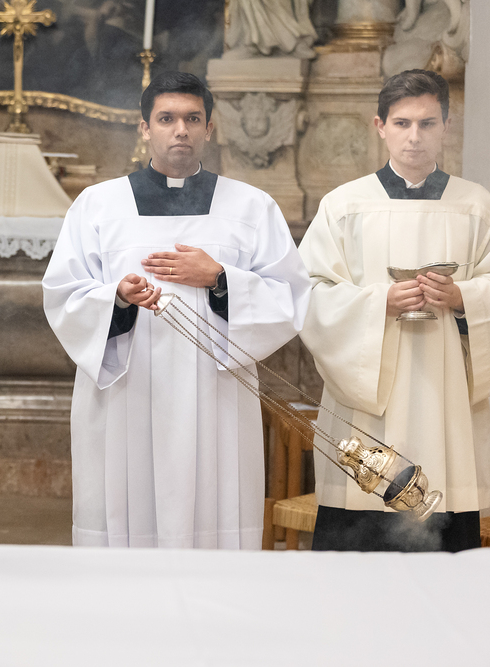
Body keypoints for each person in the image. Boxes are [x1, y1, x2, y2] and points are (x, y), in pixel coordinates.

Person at [42, 71, 310, 549]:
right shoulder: (98, 205)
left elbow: (289, 295)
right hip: (128, 392)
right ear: (144, 127)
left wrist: (219, 278)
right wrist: (117, 298)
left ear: (210, 128)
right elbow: (64, 293)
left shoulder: (252, 207)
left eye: (192, 119)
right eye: (166, 119)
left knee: (214, 515)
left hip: (215, 394)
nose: (180, 130)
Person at [299, 69, 490, 552]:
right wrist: (378, 302)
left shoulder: (475, 205)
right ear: (380, 126)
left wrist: (463, 298)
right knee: (356, 552)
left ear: (446, 126)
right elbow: (308, 293)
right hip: (369, 404)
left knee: (445, 553)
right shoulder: (344, 205)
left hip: (447, 396)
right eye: (402, 123)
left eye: (427, 123)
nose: (414, 136)